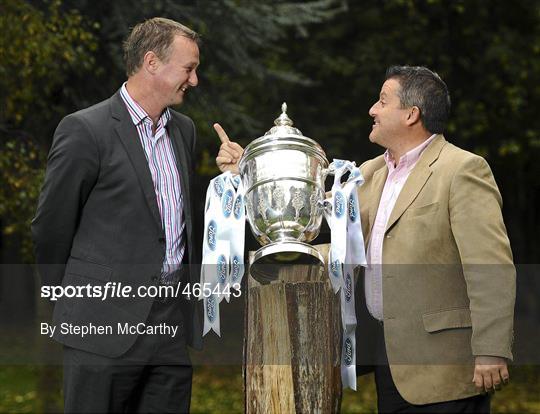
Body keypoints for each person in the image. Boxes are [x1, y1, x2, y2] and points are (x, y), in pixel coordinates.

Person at [216, 66, 516, 413]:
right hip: (388, 364)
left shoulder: (462, 169)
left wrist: (491, 349)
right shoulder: (369, 173)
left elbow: (490, 266)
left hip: (445, 365)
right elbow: (306, 217)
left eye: (382, 101)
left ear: (411, 114)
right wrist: (249, 171)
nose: (372, 109)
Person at [32, 17, 201, 413]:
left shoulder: (186, 131)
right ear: (152, 63)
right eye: (189, 69)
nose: (194, 81)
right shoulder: (84, 130)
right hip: (99, 325)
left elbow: (178, 222)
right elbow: (50, 227)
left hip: (170, 326)